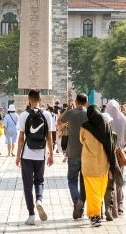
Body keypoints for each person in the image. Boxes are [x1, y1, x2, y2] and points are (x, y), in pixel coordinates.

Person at [15, 89, 55, 226]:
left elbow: (21, 138)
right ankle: (39, 200)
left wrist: (18, 155)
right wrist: (51, 154)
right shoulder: (48, 115)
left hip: (27, 154)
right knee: (39, 181)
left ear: (29, 100)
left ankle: (31, 214)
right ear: (40, 100)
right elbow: (49, 137)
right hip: (41, 154)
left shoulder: (24, 115)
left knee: (27, 184)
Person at [80, 104, 121, 226]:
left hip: (88, 165)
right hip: (103, 165)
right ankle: (97, 214)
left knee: (91, 192)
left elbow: (81, 140)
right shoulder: (106, 127)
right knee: (100, 191)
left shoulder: (84, 127)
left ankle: (95, 216)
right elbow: (111, 145)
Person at [61, 92, 88, 219]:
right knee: (84, 182)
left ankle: (77, 200)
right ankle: (81, 207)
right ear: (86, 102)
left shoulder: (71, 113)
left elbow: (60, 120)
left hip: (73, 152)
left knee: (72, 180)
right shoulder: (89, 113)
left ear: (76, 102)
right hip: (87, 153)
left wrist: (69, 108)